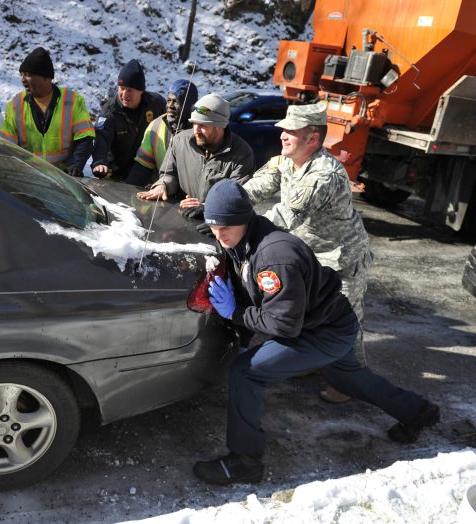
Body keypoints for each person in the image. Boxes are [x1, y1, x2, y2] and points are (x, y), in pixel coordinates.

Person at [192, 179, 440, 486]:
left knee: (247, 373)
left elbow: (284, 325)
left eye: (225, 226)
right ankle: (419, 412)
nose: (219, 234)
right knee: (346, 377)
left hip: (322, 331)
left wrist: (235, 313)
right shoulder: (240, 235)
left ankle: (245, 462)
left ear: (245, 217)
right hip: (330, 321)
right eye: (213, 226)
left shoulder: (275, 257)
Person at [243, 103, 373, 403]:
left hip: (341, 258)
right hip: (311, 257)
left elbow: (285, 216)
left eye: (291, 131)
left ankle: (349, 384)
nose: (283, 136)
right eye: (284, 130)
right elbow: (257, 186)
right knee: (307, 313)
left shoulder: (323, 175)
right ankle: (311, 361)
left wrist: (236, 225)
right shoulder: (287, 161)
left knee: (347, 321)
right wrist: (225, 202)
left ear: (312, 139)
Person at [136, 93, 255, 222]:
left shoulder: (242, 154)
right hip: (179, 221)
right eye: (194, 124)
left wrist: (205, 207)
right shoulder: (179, 141)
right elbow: (169, 174)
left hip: (217, 226)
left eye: (203, 125)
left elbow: (238, 198)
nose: (196, 131)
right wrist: (163, 185)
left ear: (220, 126)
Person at [0, 47, 94, 176]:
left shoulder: (73, 101)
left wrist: (75, 165)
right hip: (29, 177)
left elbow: (85, 139)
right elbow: (5, 146)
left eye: (29, 74)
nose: (23, 79)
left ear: (46, 78)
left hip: (64, 179)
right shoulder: (15, 106)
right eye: (22, 74)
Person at [91, 59, 166, 181]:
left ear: (141, 90)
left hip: (147, 172)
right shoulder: (109, 112)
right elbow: (101, 140)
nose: (125, 94)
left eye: (130, 90)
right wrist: (99, 162)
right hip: (116, 175)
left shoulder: (156, 103)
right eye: (122, 88)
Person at [125, 79, 199, 186]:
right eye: (168, 100)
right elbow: (142, 168)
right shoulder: (155, 126)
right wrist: (127, 191)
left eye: (176, 101)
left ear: (189, 105)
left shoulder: (200, 130)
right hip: (161, 192)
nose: (170, 105)